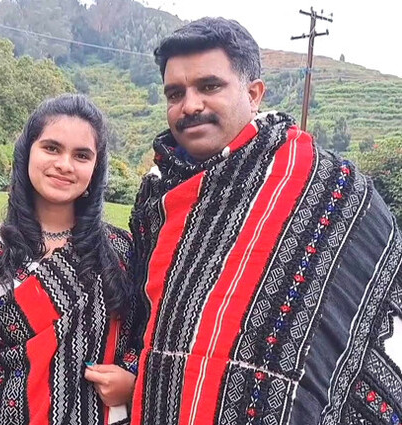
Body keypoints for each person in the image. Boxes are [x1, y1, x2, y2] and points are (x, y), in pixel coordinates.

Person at [129, 17, 402, 425]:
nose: (190, 105)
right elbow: (141, 318)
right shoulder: (157, 197)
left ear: (254, 93)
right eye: (175, 93)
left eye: (209, 86)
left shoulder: (328, 188)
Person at [0, 94, 140, 425]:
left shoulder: (121, 250)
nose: (65, 164)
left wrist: (132, 380)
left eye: (81, 155)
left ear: (96, 169)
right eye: (52, 148)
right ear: (27, 154)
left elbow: (147, 337)